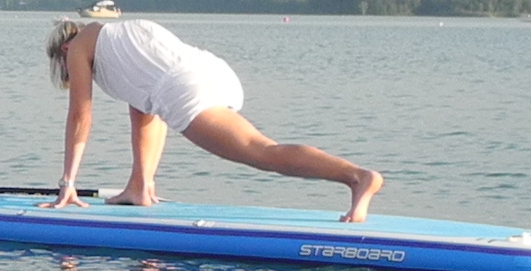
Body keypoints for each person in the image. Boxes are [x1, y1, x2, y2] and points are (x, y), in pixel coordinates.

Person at [46, 13, 383, 220]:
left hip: (184, 87)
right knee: (259, 148)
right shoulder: (122, 40)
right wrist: (141, 184)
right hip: (211, 69)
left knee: (262, 152)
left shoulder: (79, 46)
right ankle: (140, 188)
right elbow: (145, 113)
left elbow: (80, 116)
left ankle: (356, 176)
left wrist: (68, 185)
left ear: (64, 49)